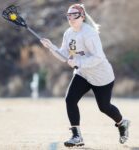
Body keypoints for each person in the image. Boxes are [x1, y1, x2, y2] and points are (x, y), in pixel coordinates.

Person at [40, 3, 130, 147]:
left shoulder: (89, 33)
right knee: (70, 99)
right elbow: (64, 56)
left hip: (101, 76)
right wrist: (51, 47)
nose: (71, 18)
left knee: (104, 107)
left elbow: (98, 57)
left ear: (82, 17)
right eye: (68, 15)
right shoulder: (68, 33)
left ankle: (122, 123)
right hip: (83, 73)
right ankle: (77, 137)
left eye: (74, 15)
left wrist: (77, 62)